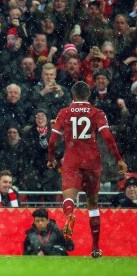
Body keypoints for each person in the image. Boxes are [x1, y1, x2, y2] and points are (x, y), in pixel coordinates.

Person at [47, 81, 128, 258]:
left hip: (72, 162)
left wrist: (51, 158)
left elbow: (52, 141)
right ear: (88, 95)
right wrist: (119, 160)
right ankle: (95, 248)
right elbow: (107, 137)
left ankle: (69, 215)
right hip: (92, 162)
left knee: (69, 198)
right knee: (92, 205)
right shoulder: (96, 113)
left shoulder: (64, 113)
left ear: (73, 95)